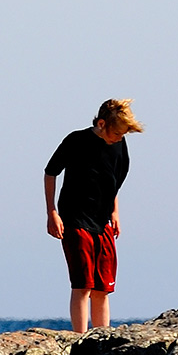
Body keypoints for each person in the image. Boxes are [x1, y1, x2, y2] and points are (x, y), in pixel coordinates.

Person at [44, 98, 143, 333]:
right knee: (83, 285)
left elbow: (113, 182)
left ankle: (101, 340)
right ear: (101, 123)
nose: (120, 138)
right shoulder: (76, 140)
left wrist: (115, 212)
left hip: (103, 222)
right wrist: (52, 213)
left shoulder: (120, 145)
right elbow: (50, 173)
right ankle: (79, 340)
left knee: (102, 287)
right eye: (117, 133)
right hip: (75, 219)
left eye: (124, 134)